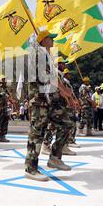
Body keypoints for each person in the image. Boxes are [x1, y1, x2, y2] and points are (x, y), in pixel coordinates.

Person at [25, 30, 73, 182]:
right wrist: (64, 91)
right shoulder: (38, 54)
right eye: (50, 38)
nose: (52, 41)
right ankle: (30, 168)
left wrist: (63, 93)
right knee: (36, 133)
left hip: (49, 101)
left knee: (67, 123)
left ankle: (55, 157)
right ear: (43, 40)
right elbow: (49, 77)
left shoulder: (46, 55)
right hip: (39, 100)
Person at [0, 75, 11, 143]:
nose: (5, 81)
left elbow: (8, 97)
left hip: (4, 108)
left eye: (5, 79)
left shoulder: (6, 89)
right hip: (0, 107)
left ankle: (2, 136)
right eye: (3, 79)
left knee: (5, 121)